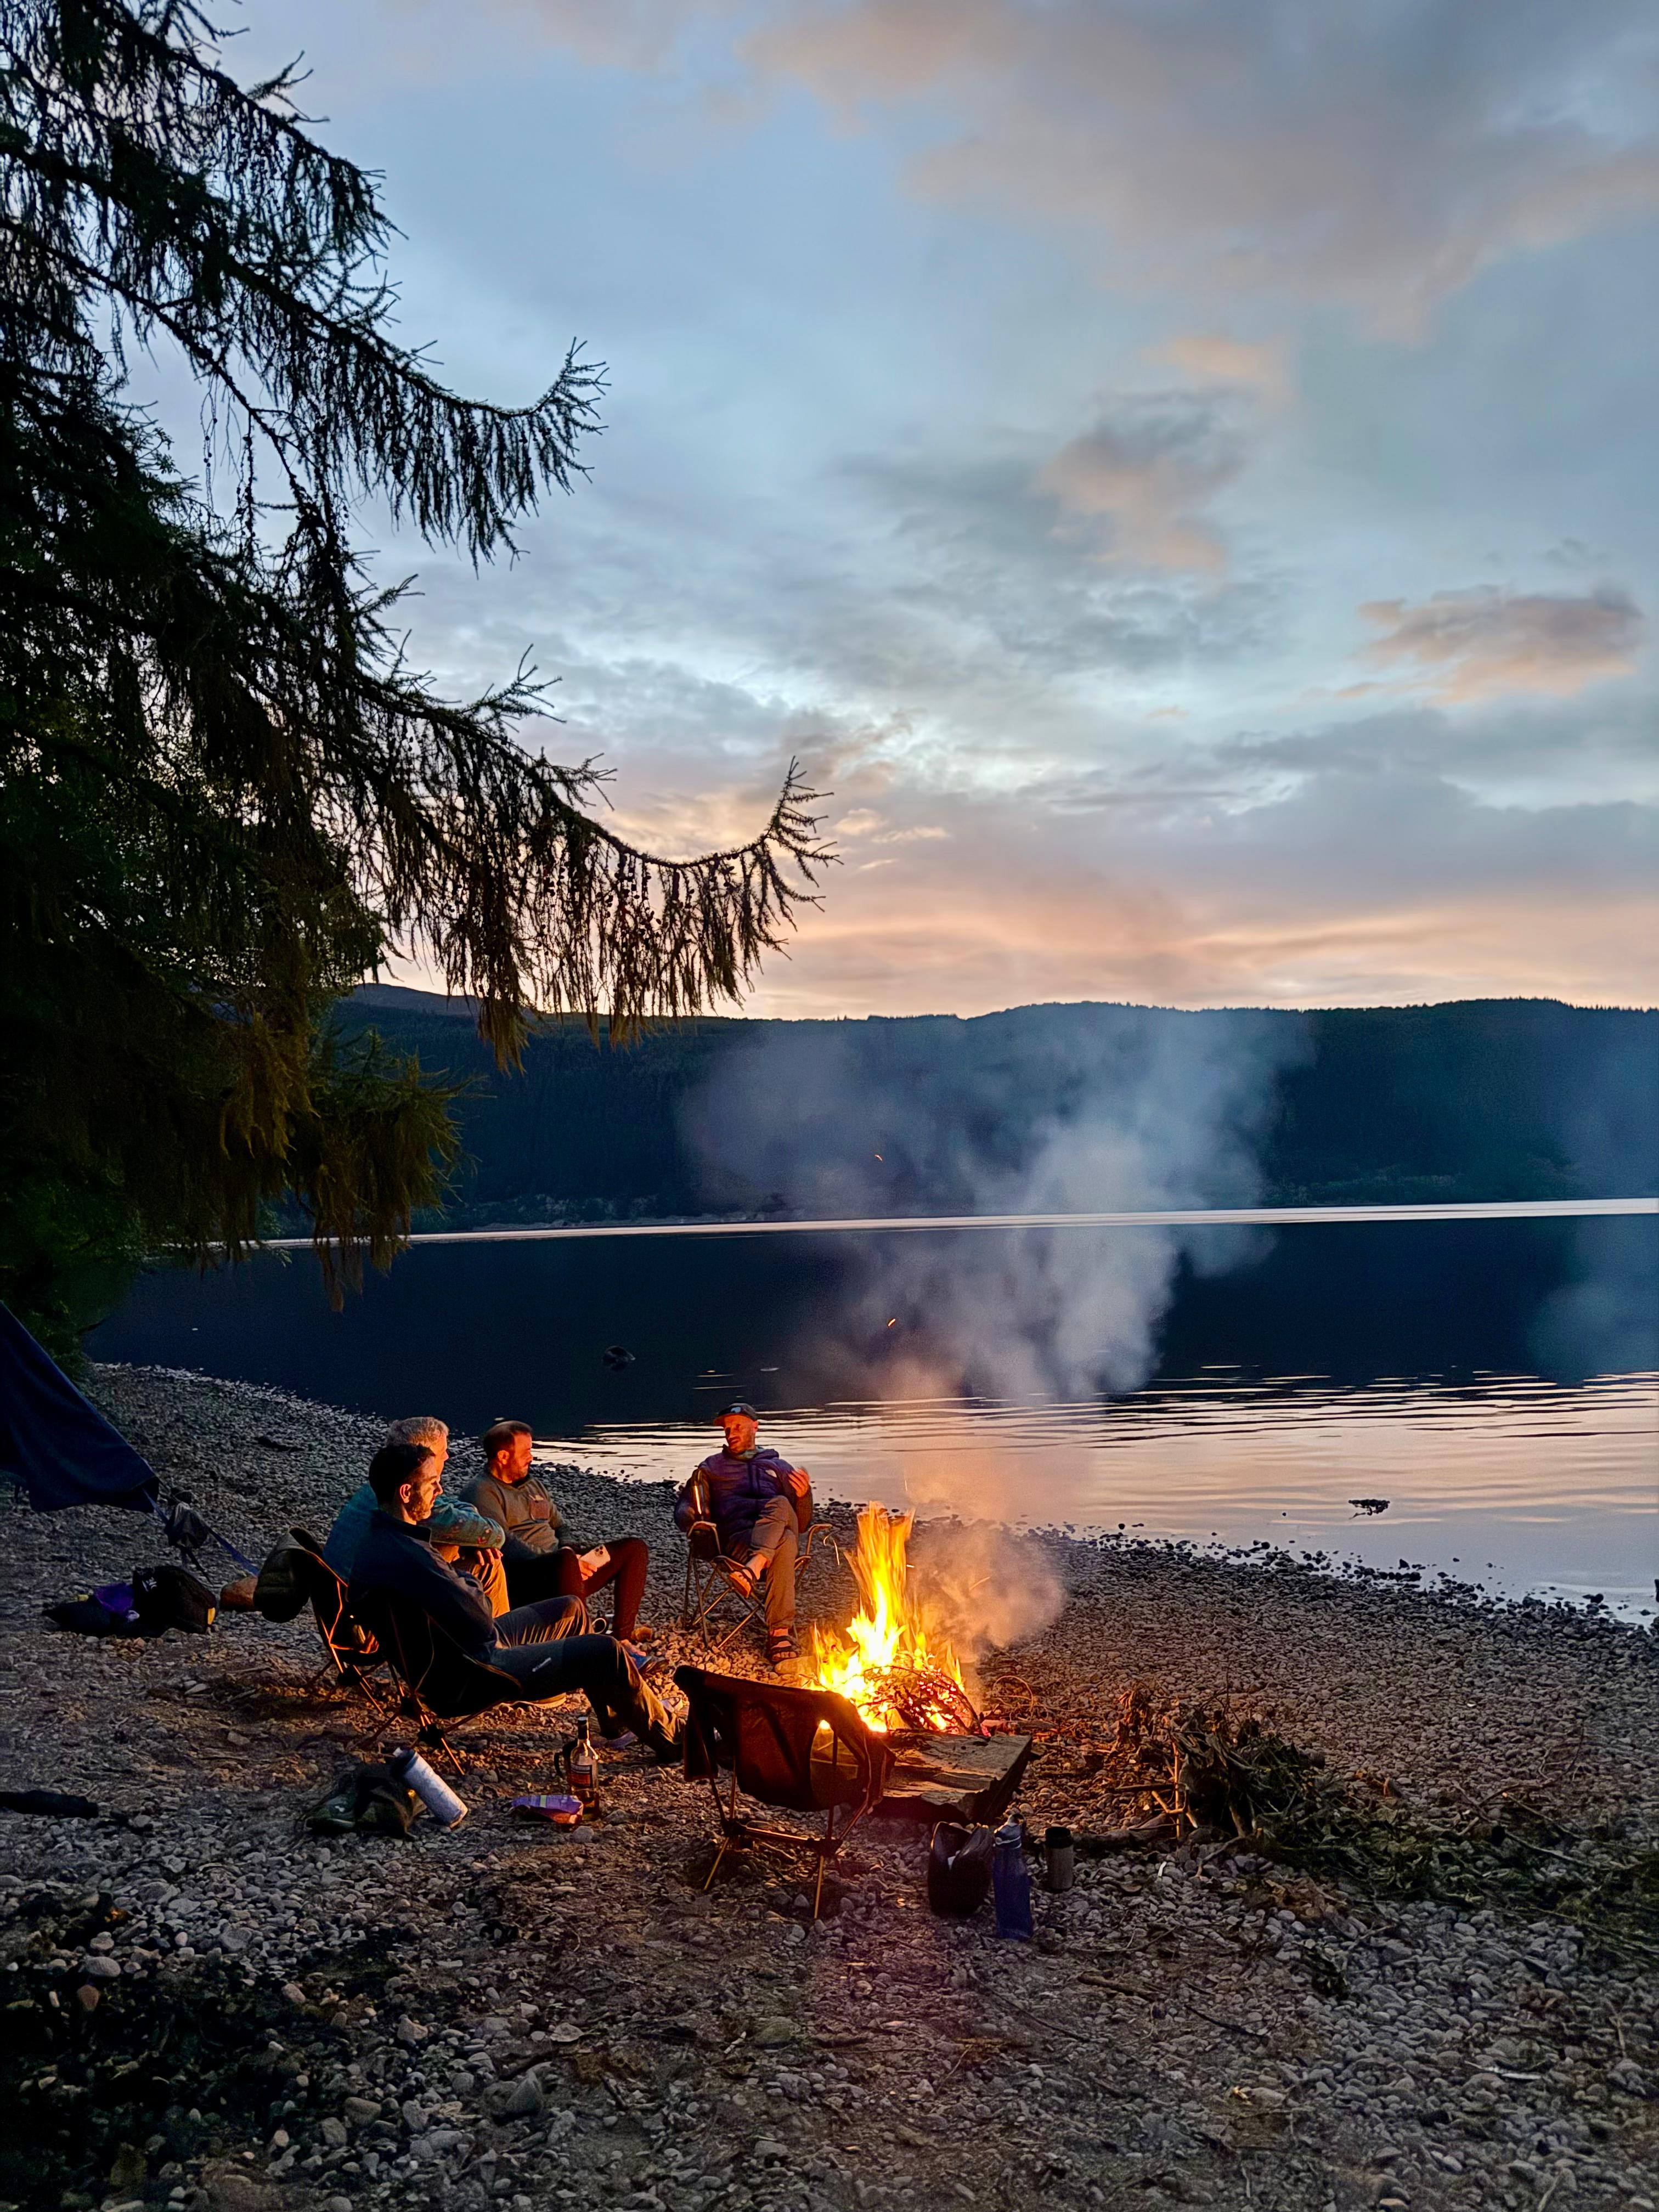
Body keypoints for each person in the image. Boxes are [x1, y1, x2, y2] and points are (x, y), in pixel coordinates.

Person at [348, 1443, 680, 1756]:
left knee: (570, 1608)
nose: (439, 1491)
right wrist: (467, 1580)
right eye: (433, 1483)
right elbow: (481, 1619)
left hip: (455, 1653)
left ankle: (619, 1717)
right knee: (604, 1650)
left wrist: (458, 1582)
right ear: (406, 1492)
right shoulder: (412, 1556)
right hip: (475, 1671)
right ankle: (677, 1739)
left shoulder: (382, 1540)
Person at [465, 1420, 651, 1640]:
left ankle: (622, 1639)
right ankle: (585, 1645)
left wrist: (571, 1552)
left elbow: (560, 1526)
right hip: (528, 1577)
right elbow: (505, 1542)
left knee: (634, 1549)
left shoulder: (532, 1485)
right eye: (526, 1452)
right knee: (564, 1561)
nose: (531, 1457)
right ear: (503, 1456)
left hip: (565, 1567)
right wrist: (564, 1559)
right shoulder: (481, 1492)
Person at [323, 1416, 509, 1616]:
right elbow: (496, 1535)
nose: (447, 1457)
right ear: (422, 1456)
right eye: (442, 1452)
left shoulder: (381, 1487)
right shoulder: (412, 1504)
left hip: (341, 1600)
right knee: (488, 1565)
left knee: (467, 1547)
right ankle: (500, 1641)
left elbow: (451, 1506)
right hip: (368, 1616)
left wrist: (468, 1534)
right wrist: (470, 1538)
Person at [675, 1401, 811, 1671]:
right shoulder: (712, 1467)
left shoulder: (780, 1467)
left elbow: (804, 1521)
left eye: (737, 1427)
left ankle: (753, 1569)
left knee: (783, 1505)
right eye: (727, 1429)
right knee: (786, 1541)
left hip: (767, 1538)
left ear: (755, 1427)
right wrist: (692, 1514)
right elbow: (683, 1508)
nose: (731, 1434)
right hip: (738, 1542)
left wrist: (805, 1495)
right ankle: (779, 1634)